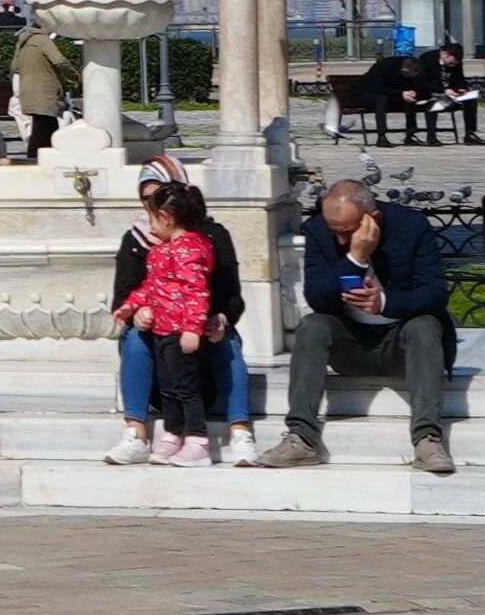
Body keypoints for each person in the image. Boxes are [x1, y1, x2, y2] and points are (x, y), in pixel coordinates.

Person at [250, 177, 459, 474]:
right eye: (334, 231)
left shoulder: (411, 226)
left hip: (402, 344)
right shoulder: (321, 230)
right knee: (312, 326)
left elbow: (436, 293)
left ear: (371, 219)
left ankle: (427, 439)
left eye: (346, 232)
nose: (338, 239)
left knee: (424, 326)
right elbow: (318, 297)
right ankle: (301, 437)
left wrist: (384, 304)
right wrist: (355, 257)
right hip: (353, 345)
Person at [103, 166, 243, 468]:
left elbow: (199, 291)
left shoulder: (196, 246)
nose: (149, 217)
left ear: (168, 215)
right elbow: (149, 286)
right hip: (163, 331)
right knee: (168, 384)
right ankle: (166, 432)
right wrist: (132, 307)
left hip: (188, 332)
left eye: (155, 206)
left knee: (186, 385)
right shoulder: (151, 246)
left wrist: (199, 325)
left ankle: (201, 438)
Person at [14, 14, 67, 157]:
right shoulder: (43, 40)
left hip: (28, 92)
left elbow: (15, 67)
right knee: (46, 127)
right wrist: (77, 76)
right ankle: (38, 160)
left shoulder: (23, 41)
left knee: (42, 126)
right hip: (44, 93)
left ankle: (40, 158)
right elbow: (60, 61)